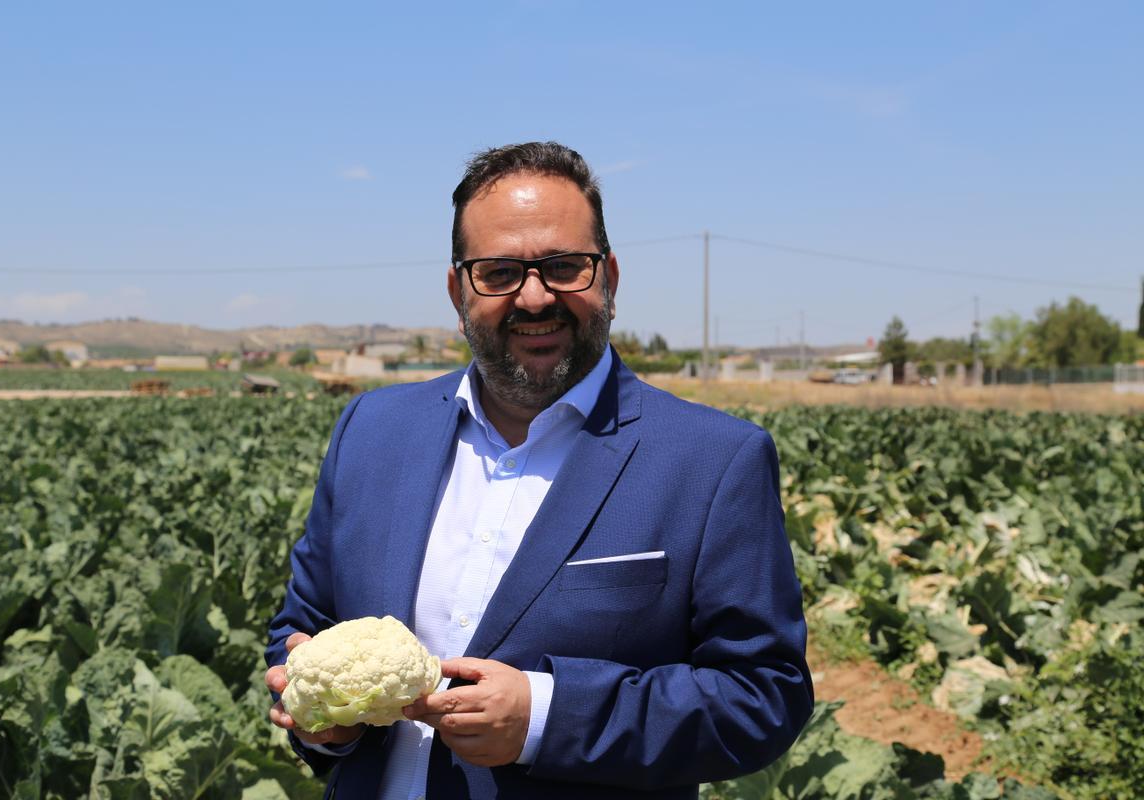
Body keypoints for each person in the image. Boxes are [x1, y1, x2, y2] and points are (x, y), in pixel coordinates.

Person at [265, 141, 813, 799]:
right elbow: (302, 625)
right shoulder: (372, 431)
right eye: (498, 272)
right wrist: (322, 717)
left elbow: (762, 697)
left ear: (608, 276)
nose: (532, 297)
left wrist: (546, 717)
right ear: (456, 289)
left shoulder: (711, 460)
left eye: (562, 266)